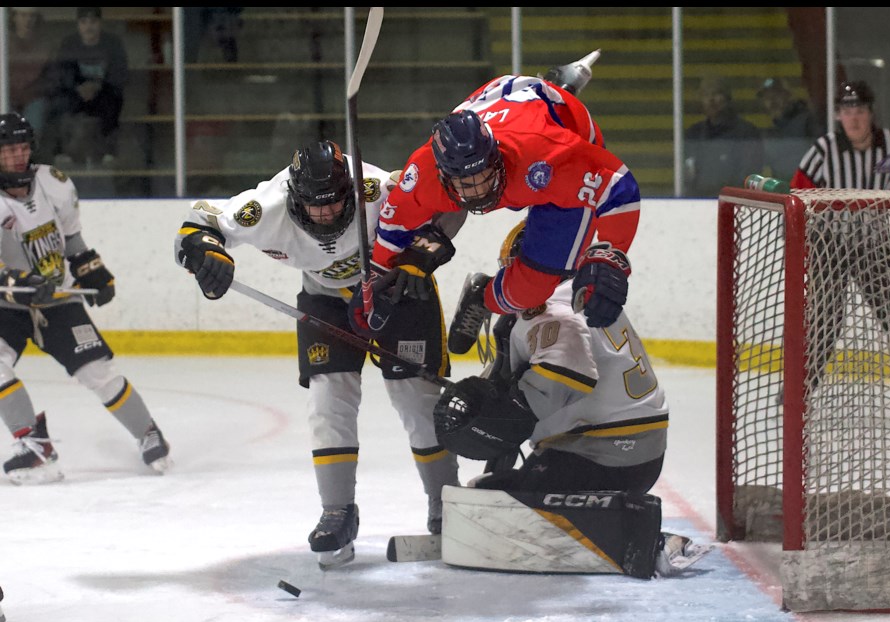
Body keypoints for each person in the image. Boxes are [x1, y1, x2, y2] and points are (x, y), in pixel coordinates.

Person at [173, 140, 459, 569]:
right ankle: (337, 510)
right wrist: (204, 254)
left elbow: (450, 204)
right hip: (325, 298)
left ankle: (445, 505)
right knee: (328, 399)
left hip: (396, 290)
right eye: (314, 206)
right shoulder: (264, 206)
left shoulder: (378, 188)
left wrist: (422, 256)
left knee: (416, 399)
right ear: (293, 197)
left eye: (334, 203)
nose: (325, 214)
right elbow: (196, 224)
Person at [433, 219, 674, 578]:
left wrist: (494, 417)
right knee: (496, 487)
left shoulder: (547, 308)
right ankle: (610, 514)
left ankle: (629, 530)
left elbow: (562, 379)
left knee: (497, 499)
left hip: (601, 458)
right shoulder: (582, 293)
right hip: (634, 451)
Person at [364, 51, 641, 337]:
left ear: (495, 157)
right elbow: (393, 229)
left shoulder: (550, 155)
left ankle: (481, 296)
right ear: (443, 175)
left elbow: (618, 186)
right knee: (522, 289)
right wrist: (378, 281)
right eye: (465, 183)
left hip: (555, 136)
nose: (479, 190)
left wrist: (611, 255)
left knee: (537, 286)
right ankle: (554, 83)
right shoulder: (423, 175)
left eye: (483, 175)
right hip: (496, 102)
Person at [0, 112, 170, 485]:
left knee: (99, 373)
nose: (18, 156)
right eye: (9, 149)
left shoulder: (53, 182)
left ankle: (148, 432)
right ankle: (34, 445)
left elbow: (71, 237)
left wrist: (89, 267)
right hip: (7, 308)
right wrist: (18, 281)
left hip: (57, 299)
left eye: (23, 147)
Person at [791, 81, 890, 398]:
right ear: (838, 116)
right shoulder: (823, 151)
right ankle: (798, 388)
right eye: (846, 112)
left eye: (859, 111)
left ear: (871, 113)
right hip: (830, 245)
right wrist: (806, 248)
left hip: (875, 245)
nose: (853, 118)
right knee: (825, 320)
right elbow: (797, 198)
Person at [43, 7, 128, 167]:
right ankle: (61, 151)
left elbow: (120, 73)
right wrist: (77, 87)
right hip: (76, 93)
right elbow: (61, 73)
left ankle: (109, 151)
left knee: (113, 102)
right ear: (78, 25)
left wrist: (97, 86)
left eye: (93, 22)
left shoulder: (113, 43)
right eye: (84, 22)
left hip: (104, 92)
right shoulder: (69, 43)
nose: (89, 27)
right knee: (58, 104)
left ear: (100, 23)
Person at [683, 75, 764, 197]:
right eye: (706, 95)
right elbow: (688, 176)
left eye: (716, 93)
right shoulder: (694, 133)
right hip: (699, 204)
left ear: (727, 98)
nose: (711, 99)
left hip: (735, 205)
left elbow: (749, 175)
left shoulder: (746, 132)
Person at [756, 77, 823, 181]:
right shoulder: (771, 132)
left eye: (777, 95)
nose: (772, 101)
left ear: (788, 96)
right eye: (767, 98)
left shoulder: (807, 121)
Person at [7, 8, 54, 140]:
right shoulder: (4, 42)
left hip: (34, 98)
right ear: (14, 17)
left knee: (33, 124)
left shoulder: (45, 44)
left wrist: (35, 92)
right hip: (7, 97)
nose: (27, 20)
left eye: (31, 16)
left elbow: (51, 78)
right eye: (23, 15)